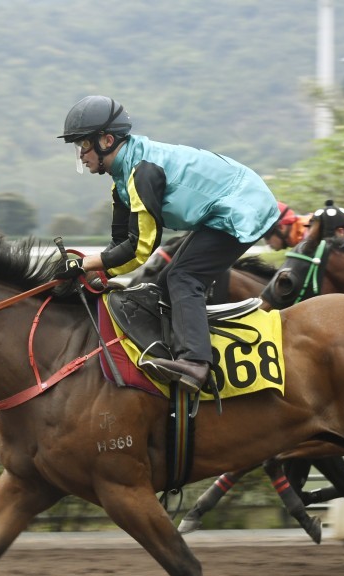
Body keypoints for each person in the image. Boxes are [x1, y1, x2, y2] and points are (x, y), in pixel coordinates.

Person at [57, 95, 280, 393]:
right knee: (164, 281)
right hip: (220, 208)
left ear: (107, 141)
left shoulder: (141, 173)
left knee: (183, 278)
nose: (81, 155)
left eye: (83, 145)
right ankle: (177, 353)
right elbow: (119, 244)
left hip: (243, 204)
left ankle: (196, 363)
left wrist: (87, 264)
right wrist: (98, 273)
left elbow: (141, 249)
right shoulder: (121, 180)